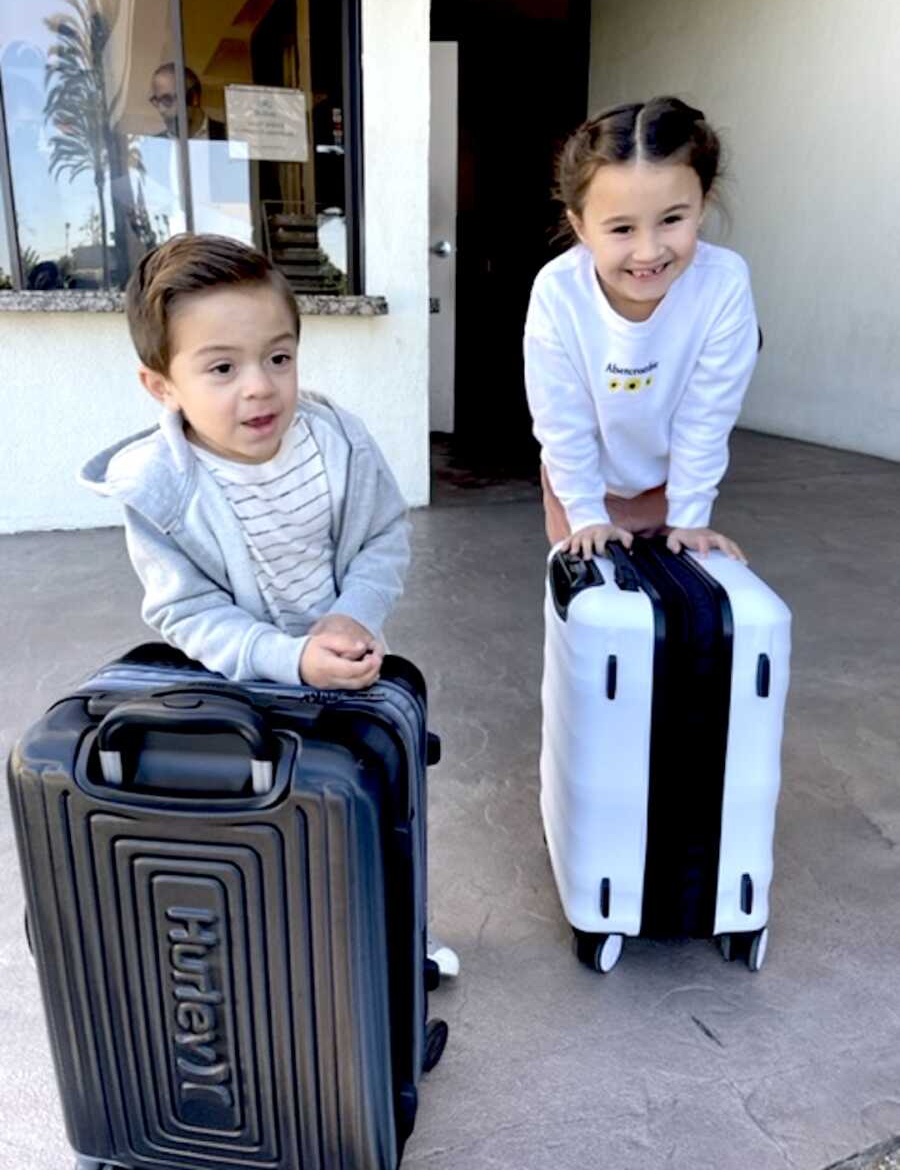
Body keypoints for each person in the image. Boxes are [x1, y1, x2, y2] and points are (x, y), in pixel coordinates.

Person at [79, 232, 460, 976]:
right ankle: (272, 970)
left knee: (374, 805)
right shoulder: (161, 488)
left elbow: (382, 535)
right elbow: (186, 613)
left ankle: (390, 941)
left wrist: (353, 614)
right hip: (234, 684)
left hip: (343, 677)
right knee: (260, 821)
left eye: (278, 357)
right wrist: (287, 658)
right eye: (221, 367)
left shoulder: (338, 440)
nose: (260, 386)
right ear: (161, 385)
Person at [524, 96, 758, 562]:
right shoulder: (558, 293)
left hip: (668, 483)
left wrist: (691, 516)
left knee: (673, 604)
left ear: (703, 205)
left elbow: (706, 415)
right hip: (581, 480)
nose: (648, 252)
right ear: (581, 226)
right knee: (593, 599)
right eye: (621, 229)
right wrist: (587, 514)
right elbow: (562, 422)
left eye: (672, 219)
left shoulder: (723, 285)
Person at [150, 63, 226, 140]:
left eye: (167, 99)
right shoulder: (151, 146)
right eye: (156, 100)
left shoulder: (228, 135)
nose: (161, 109)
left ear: (193, 98)